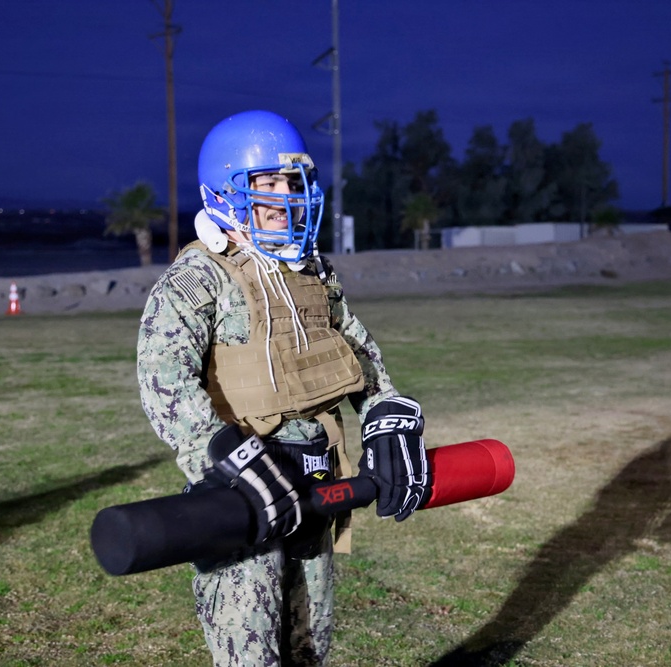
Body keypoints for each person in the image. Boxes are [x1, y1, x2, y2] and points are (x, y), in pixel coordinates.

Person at [136, 109, 432, 666]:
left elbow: (356, 350)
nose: (285, 195)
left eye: (292, 181)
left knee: (309, 645)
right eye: (267, 182)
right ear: (224, 192)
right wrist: (223, 453)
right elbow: (162, 380)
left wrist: (386, 411)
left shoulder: (311, 271)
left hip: (316, 479)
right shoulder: (198, 278)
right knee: (252, 651)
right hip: (244, 490)